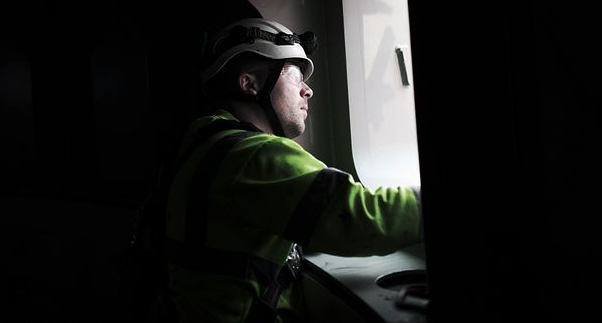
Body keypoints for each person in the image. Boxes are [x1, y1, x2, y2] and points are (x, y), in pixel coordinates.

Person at [162, 17, 423, 323]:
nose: (307, 91)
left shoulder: (202, 143)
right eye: (296, 76)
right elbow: (360, 219)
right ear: (250, 83)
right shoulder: (252, 156)